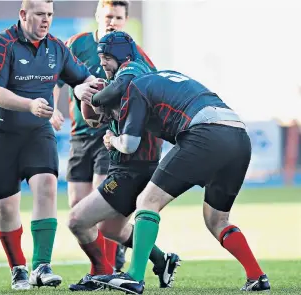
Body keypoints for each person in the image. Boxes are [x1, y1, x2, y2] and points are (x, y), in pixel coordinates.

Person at [90, 70, 271, 294]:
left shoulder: (133, 89)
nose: (116, 116)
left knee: (147, 201)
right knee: (217, 221)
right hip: (239, 136)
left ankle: (134, 277)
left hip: (206, 133)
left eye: (112, 112)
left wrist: (112, 139)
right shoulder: (161, 80)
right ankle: (256, 276)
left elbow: (129, 145)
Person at [0, 0, 99, 290]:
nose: (46, 20)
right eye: (40, 14)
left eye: (50, 15)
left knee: (47, 184)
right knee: (7, 207)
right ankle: (18, 268)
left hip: (37, 132)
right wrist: (31, 105)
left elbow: (84, 78)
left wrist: (88, 89)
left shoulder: (56, 48)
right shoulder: (0, 44)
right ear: (23, 14)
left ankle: (42, 265)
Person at [67, 31, 180, 292]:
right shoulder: (122, 77)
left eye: (106, 57)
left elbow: (127, 138)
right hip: (131, 167)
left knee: (77, 220)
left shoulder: (132, 75)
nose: (102, 63)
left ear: (120, 56)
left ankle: (101, 272)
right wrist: (86, 96)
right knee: (110, 228)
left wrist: (90, 96)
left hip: (133, 170)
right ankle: (162, 261)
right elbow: (95, 119)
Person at [51, 0, 156, 273]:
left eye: (118, 18)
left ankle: (105, 268)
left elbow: (152, 87)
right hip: (79, 136)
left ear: (126, 20)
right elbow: (56, 81)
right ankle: (156, 257)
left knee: (101, 208)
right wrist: (52, 111)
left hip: (110, 138)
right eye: (108, 16)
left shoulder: (136, 55)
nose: (112, 22)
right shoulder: (76, 45)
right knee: (77, 205)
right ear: (98, 15)